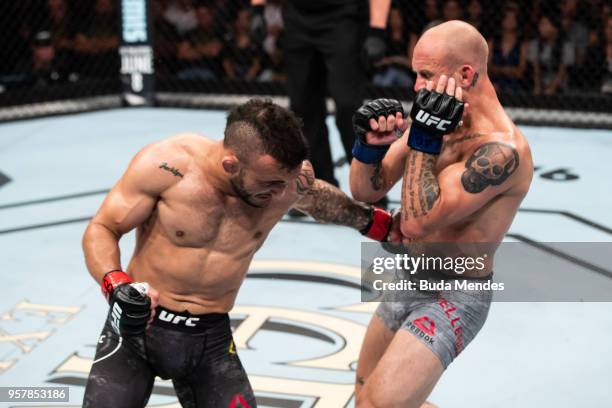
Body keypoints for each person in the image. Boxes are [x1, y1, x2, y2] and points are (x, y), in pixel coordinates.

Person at [81, 99, 394, 407]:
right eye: (270, 183)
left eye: (285, 182)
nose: (280, 193)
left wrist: (378, 225)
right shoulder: (168, 165)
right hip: (137, 329)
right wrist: (116, 284)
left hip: (210, 337)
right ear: (231, 165)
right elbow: (104, 227)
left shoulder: (288, 180)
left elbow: (320, 199)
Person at [349, 20, 533, 407]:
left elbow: (416, 221)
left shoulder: (503, 151)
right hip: (409, 275)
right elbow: (366, 190)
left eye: (426, 75)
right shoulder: (433, 119)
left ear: (465, 74)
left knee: (376, 405)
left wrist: (424, 140)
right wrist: (369, 148)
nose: (416, 86)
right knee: (365, 392)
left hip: (455, 294)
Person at [250, 0, 392, 192]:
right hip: (297, 17)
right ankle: (321, 187)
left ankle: (370, 184)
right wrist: (258, 9)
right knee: (302, 105)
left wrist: (378, 29)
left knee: (348, 105)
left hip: (343, 17)